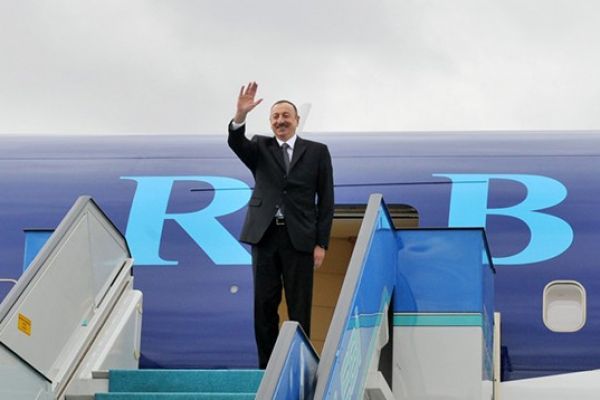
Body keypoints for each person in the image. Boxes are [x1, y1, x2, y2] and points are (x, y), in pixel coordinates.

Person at [228, 81, 334, 368]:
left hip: (299, 238)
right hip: (265, 236)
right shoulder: (260, 147)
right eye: (275, 117)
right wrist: (240, 115)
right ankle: (268, 367)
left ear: (296, 120)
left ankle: (300, 365)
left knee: (300, 306)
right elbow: (236, 142)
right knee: (264, 304)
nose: (280, 121)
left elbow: (326, 200)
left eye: (286, 115)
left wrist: (321, 243)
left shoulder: (317, 152)